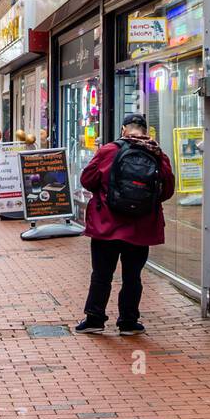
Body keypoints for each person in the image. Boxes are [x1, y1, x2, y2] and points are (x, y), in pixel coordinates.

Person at [75, 113, 175, 335]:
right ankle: (128, 322)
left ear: (123, 130)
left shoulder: (108, 151)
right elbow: (167, 191)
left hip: (106, 226)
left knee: (101, 274)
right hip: (141, 227)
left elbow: (87, 180)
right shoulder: (158, 155)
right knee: (132, 276)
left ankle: (94, 319)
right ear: (145, 131)